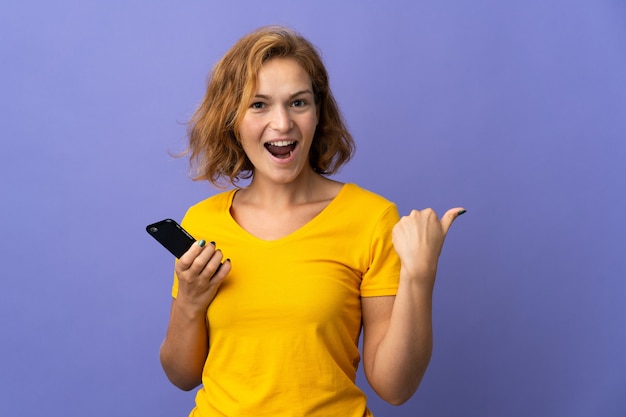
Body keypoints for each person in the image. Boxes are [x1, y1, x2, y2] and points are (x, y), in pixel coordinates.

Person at [159, 25, 465, 417]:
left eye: (298, 103)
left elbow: (395, 387)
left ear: (318, 112)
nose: (282, 123)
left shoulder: (371, 218)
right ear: (232, 119)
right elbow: (182, 375)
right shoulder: (203, 222)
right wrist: (189, 301)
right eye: (259, 105)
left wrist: (419, 277)